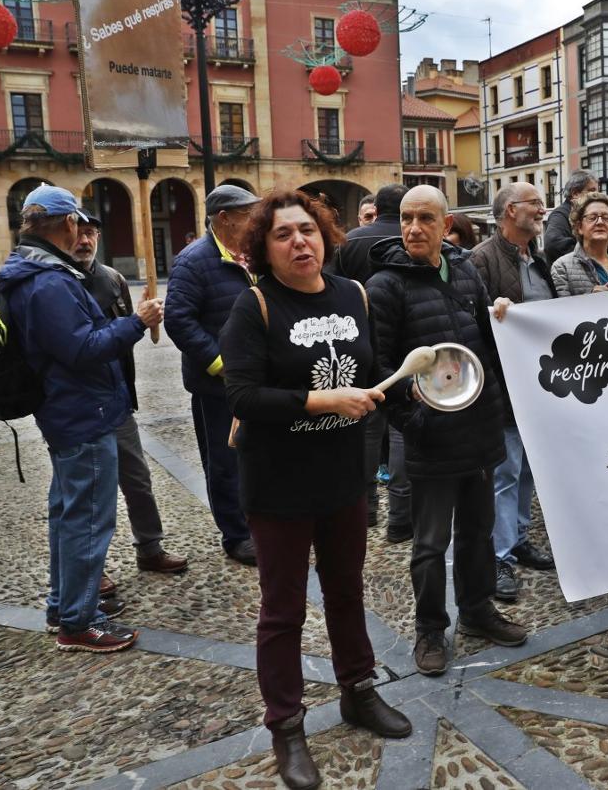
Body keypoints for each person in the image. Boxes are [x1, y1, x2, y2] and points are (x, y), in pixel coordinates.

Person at [221, 189, 410, 789]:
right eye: (283, 234)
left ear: (325, 236)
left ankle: (358, 691)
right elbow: (242, 395)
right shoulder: (254, 307)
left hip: (341, 474)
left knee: (347, 592)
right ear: (264, 248)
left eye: (306, 230)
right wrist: (323, 400)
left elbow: (371, 367)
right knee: (282, 612)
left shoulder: (352, 295)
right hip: (277, 482)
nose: (299, 241)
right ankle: (287, 727)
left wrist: (413, 381)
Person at [367, 185, 529, 676]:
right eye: (407, 219)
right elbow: (380, 367)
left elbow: (486, 335)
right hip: (431, 437)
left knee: (478, 532)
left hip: (478, 430)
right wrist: (413, 422)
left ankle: (478, 610)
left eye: (425, 219)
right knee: (431, 543)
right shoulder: (385, 286)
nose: (413, 228)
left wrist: (502, 312)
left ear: (445, 224)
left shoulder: (463, 270)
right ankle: (430, 629)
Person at [0, 185, 160, 652]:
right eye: (79, 224)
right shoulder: (49, 282)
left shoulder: (34, 272)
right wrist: (137, 321)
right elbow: (82, 349)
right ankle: (78, 621)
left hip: (71, 411)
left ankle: (65, 605)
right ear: (68, 224)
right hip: (82, 413)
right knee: (87, 521)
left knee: (68, 515)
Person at [72, 211, 188, 575]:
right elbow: (85, 345)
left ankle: (150, 547)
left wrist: (139, 318)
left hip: (117, 399)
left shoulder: (113, 280)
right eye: (78, 233)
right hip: (79, 406)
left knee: (137, 479)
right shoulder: (59, 283)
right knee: (90, 492)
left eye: (91, 233)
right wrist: (136, 322)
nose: (85, 241)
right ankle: (93, 569)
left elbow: (121, 343)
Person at [470, 182, 557, 603]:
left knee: (526, 469)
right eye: (534, 204)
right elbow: (470, 319)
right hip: (503, 386)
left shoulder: (537, 260)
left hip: (538, 384)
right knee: (505, 472)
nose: (542, 210)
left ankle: (518, 538)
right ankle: (498, 556)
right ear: (509, 212)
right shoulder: (482, 260)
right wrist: (495, 315)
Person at [164, 184, 260, 565]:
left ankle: (258, 520)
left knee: (255, 455)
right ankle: (236, 535)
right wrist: (221, 363)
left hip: (256, 380)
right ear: (224, 219)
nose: (255, 222)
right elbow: (178, 321)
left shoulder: (252, 255)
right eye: (247, 215)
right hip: (217, 384)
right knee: (224, 461)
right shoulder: (193, 260)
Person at [329, 183, 412, 534]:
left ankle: (366, 510)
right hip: (406, 342)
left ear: (376, 209)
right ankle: (400, 516)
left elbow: (331, 287)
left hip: (359, 342)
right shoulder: (414, 236)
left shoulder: (351, 240)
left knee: (367, 426)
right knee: (400, 431)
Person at [552, 192, 608, 297]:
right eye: (592, 217)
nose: (600, 222)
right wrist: (589, 300)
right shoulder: (562, 268)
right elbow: (561, 310)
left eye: (606, 217)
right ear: (579, 227)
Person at [543, 170, 598, 265]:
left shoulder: (582, 213)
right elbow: (553, 243)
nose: (597, 195)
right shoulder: (560, 215)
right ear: (575, 193)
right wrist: (589, 256)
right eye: (592, 191)